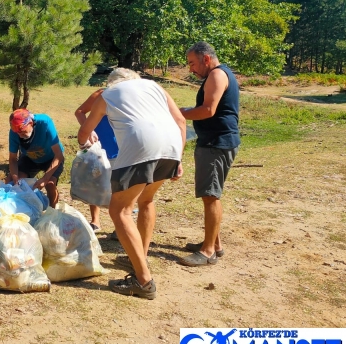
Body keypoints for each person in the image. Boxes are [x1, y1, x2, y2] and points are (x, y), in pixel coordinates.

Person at [78, 68, 186, 299]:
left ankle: (143, 281)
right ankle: (140, 256)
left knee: (120, 211)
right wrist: (178, 159)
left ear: (111, 83)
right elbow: (180, 121)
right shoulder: (155, 87)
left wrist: (85, 145)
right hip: (171, 146)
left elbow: (85, 131)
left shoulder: (108, 94)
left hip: (141, 147)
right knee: (146, 200)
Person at [179, 41, 240, 267]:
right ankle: (215, 244)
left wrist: (178, 114)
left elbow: (208, 110)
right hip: (216, 141)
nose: (191, 69)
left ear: (206, 59)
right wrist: (183, 111)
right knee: (212, 194)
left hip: (216, 143)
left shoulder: (216, 75)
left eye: (192, 63)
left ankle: (207, 252)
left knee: (210, 196)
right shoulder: (219, 75)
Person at [74, 88, 119, 232]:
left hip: (122, 145)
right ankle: (95, 221)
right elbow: (80, 111)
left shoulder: (133, 96)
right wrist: (89, 130)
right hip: (99, 144)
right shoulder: (101, 94)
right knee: (95, 181)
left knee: (120, 186)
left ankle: (120, 226)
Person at [8, 109, 64, 208]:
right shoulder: (14, 132)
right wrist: (15, 177)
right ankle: (20, 208)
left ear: (30, 123)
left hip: (52, 157)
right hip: (30, 157)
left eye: (22, 131)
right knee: (11, 180)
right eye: (17, 133)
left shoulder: (45, 122)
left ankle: (53, 212)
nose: (20, 135)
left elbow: (58, 155)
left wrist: (45, 178)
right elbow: (12, 159)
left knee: (50, 183)